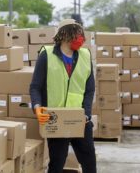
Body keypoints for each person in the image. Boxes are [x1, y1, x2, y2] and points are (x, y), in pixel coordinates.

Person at [30, 19, 96, 173]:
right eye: (77, 35)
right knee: (57, 162)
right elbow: (35, 87)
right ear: (65, 35)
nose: (81, 39)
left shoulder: (85, 55)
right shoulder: (46, 55)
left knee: (89, 161)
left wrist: (86, 114)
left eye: (82, 35)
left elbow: (90, 89)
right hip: (57, 118)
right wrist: (37, 108)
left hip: (80, 119)